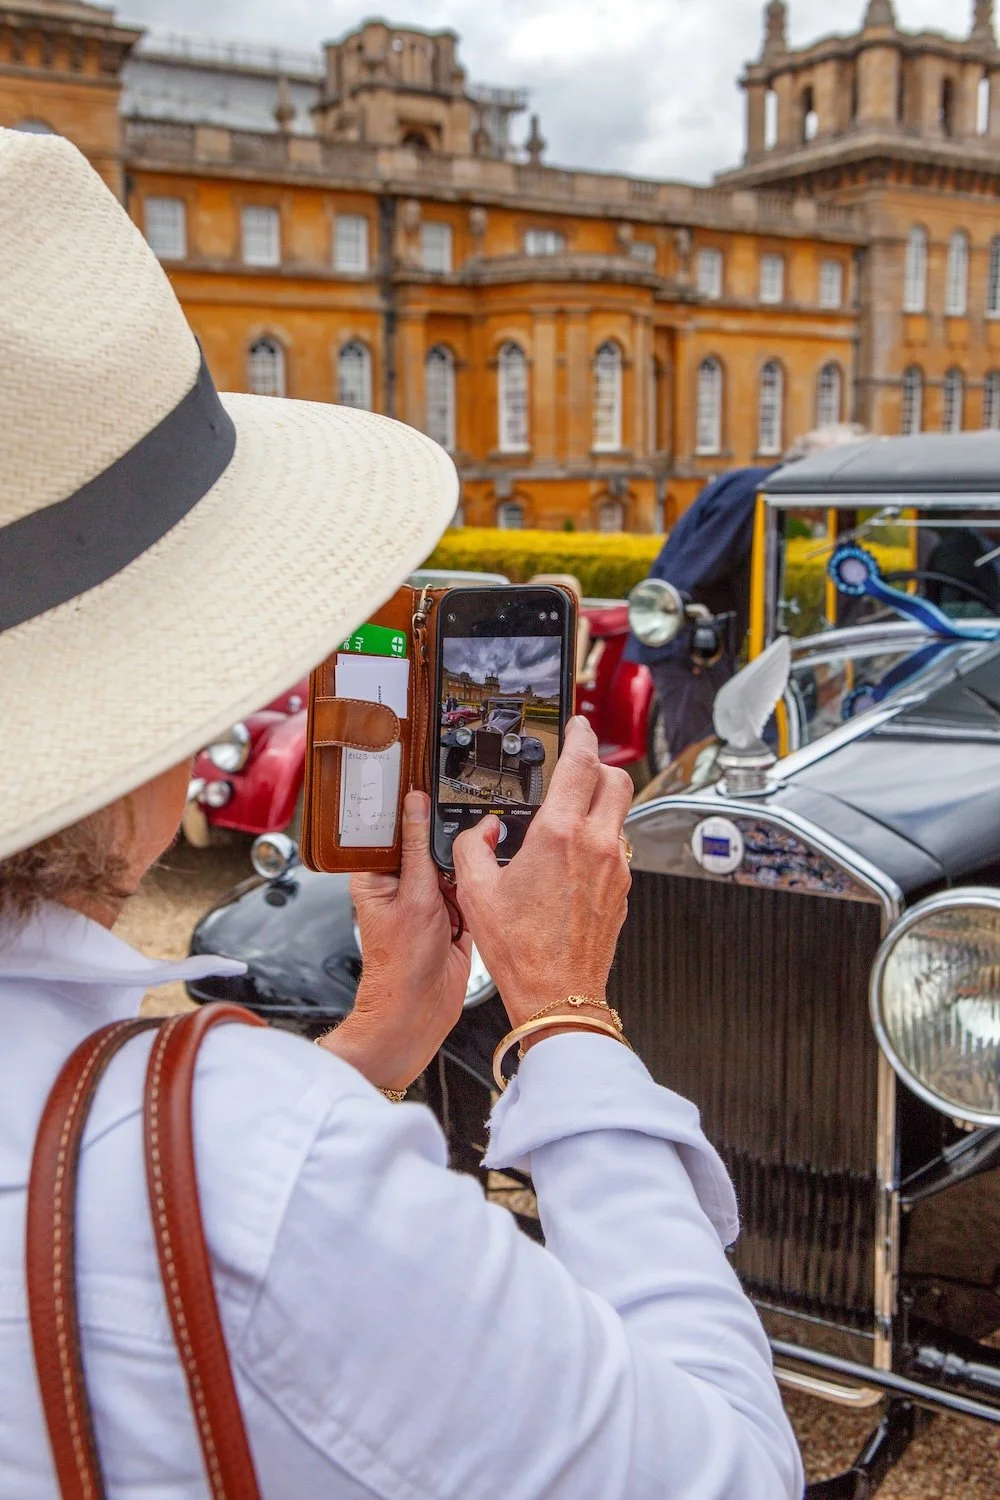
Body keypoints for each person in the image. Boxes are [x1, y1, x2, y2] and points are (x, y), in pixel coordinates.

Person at [0, 131, 802, 1499]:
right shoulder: (253, 1159)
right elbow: (729, 1473)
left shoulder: (227, 1144)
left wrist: (381, 1038)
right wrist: (561, 1015)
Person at [627, 424, 868, 766]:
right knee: (699, 755)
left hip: (713, 645)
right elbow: (689, 578)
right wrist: (697, 649)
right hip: (690, 650)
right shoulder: (752, 494)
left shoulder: (758, 490)